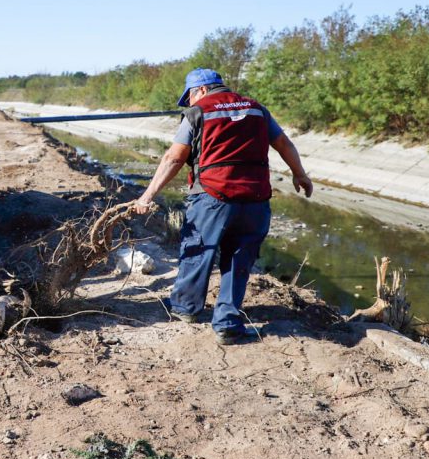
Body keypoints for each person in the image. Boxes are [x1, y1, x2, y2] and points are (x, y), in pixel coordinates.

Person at [134, 68, 313, 344]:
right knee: (240, 260)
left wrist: (148, 195)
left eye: (190, 97)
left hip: (213, 198)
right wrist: (300, 174)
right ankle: (228, 325)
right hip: (255, 200)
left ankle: (185, 309)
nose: (189, 103)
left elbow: (174, 157)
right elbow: (283, 143)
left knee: (198, 251)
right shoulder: (257, 109)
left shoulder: (198, 112)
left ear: (201, 90)